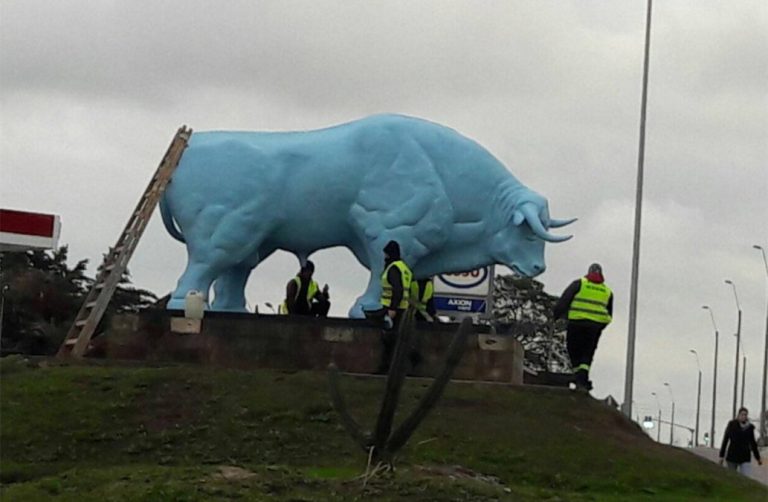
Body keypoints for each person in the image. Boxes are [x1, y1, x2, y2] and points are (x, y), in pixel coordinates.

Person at [553, 263, 613, 391]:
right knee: (588, 352)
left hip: (576, 323)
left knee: (573, 350)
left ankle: (579, 377)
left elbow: (564, 300)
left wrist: (555, 316)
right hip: (594, 327)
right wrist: (601, 325)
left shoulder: (579, 284)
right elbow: (609, 313)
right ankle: (582, 378)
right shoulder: (607, 291)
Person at [376, 240, 413, 373]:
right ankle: (397, 367)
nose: (384, 257)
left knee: (389, 340)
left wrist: (392, 308)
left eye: (386, 254)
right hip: (403, 308)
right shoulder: (404, 268)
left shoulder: (393, 269)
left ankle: (386, 368)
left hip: (392, 309)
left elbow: (397, 289)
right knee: (398, 340)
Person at [719, 407, 762, 475]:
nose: (744, 416)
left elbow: (753, 443)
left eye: (745, 415)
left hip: (745, 457)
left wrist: (758, 458)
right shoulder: (732, 425)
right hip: (732, 456)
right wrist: (721, 455)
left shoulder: (749, 428)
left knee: (746, 477)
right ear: (738, 415)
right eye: (742, 414)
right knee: (732, 477)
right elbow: (726, 439)